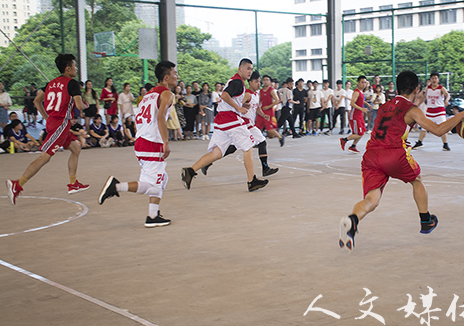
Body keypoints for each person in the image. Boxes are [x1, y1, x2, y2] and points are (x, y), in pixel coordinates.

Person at [338, 70, 464, 252]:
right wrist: (461, 115)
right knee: (417, 180)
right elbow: (437, 130)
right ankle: (426, 220)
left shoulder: (385, 106)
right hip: (394, 154)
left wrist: (417, 101)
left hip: (371, 156)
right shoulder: (413, 110)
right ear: (417, 88)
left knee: (371, 199)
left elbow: (401, 111)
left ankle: (352, 221)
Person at [98, 61, 178, 227]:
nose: (177, 76)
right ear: (166, 77)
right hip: (152, 143)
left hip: (142, 141)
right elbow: (160, 118)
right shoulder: (167, 94)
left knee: (161, 179)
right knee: (153, 186)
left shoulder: (148, 95)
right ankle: (116, 187)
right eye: (174, 73)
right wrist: (165, 142)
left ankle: (153, 215)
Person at [6, 54, 89, 204]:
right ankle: (17, 185)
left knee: (76, 148)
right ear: (68, 68)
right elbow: (78, 106)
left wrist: (46, 117)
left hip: (56, 122)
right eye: (75, 66)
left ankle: (73, 184)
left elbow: (37, 101)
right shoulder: (72, 83)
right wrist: (85, 105)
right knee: (45, 156)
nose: (76, 69)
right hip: (61, 124)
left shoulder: (50, 84)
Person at [181, 58, 269, 192]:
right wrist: (239, 108)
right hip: (230, 119)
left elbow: (229, 97)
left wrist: (240, 104)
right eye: (248, 68)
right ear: (240, 68)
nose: (250, 71)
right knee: (248, 146)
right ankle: (252, 181)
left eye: (251, 69)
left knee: (217, 152)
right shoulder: (239, 82)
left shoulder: (235, 81)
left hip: (221, 121)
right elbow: (225, 95)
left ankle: (191, 170)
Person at [201, 71, 279, 178]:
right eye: (256, 81)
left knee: (232, 148)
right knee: (261, 142)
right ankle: (263, 170)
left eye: (259, 81)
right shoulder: (246, 94)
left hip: (247, 124)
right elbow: (236, 103)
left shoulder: (257, 94)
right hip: (243, 123)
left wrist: (263, 114)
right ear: (250, 82)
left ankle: (208, 162)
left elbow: (256, 108)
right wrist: (240, 107)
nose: (259, 84)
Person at [413, 72, 451, 151]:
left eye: (435, 78)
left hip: (439, 111)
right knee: (424, 127)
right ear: (430, 79)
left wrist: (446, 100)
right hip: (430, 111)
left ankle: (445, 144)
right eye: (433, 78)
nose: (434, 80)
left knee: (443, 128)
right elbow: (424, 98)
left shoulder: (441, 88)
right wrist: (417, 105)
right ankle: (420, 142)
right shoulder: (427, 88)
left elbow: (447, 95)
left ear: (438, 79)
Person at [340, 76, 369, 153]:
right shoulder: (356, 92)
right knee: (359, 134)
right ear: (358, 83)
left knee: (362, 132)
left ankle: (353, 146)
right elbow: (352, 103)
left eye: (365, 82)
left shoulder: (361, 92)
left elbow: (360, 100)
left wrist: (367, 104)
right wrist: (362, 109)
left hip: (359, 115)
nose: (364, 84)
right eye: (362, 82)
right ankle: (344, 140)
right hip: (355, 116)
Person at [256, 75, 284, 146]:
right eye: (264, 80)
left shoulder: (271, 90)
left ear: (270, 82)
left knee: (269, 128)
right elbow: (259, 102)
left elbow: (277, 100)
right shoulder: (261, 91)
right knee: (257, 127)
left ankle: (280, 137)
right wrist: (257, 108)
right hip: (261, 111)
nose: (265, 81)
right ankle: (258, 142)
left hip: (269, 112)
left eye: (267, 80)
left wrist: (268, 106)